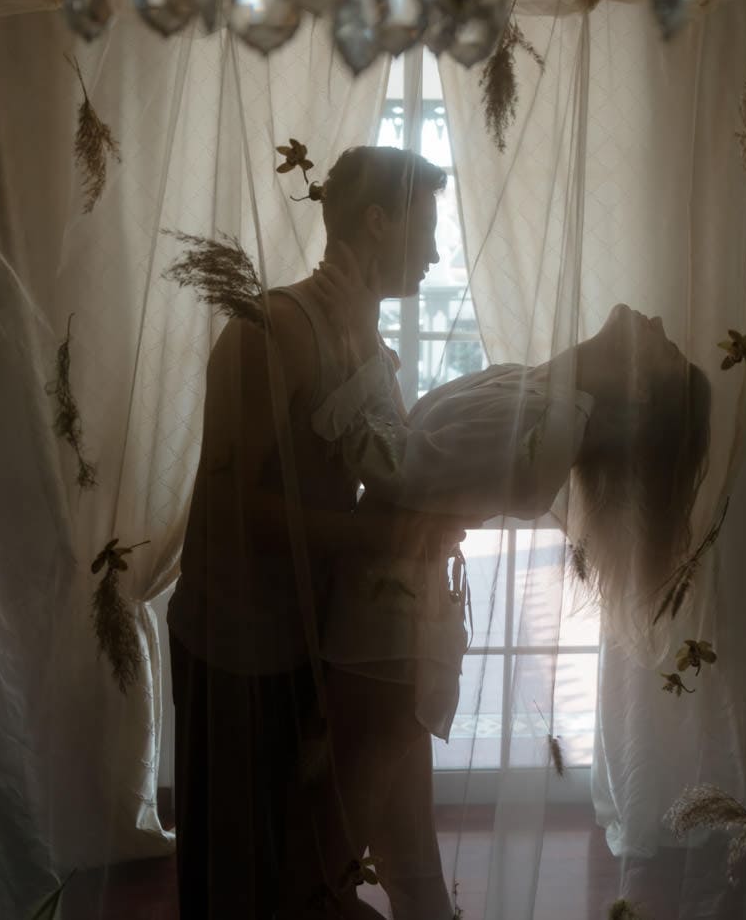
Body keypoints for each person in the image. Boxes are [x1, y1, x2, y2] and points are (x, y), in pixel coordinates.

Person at [309, 252, 712, 920]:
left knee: (323, 875)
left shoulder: (551, 429)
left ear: (641, 393)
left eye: (665, 348)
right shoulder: (535, 388)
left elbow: (396, 467)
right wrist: (369, 352)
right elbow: (414, 455)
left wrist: (358, 345)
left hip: (386, 637)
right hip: (388, 625)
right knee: (407, 875)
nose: (658, 320)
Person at [166, 145, 454, 920]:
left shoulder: (367, 338)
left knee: (300, 844)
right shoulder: (273, 330)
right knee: (236, 853)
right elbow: (225, 508)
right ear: (376, 221)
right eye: (425, 230)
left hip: (314, 635)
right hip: (234, 641)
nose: (434, 252)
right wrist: (366, 541)